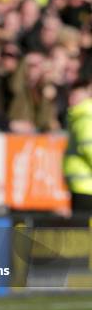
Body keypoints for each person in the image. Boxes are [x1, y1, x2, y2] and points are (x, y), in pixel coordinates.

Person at [63, 80, 92, 213]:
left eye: (75, 95)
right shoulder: (79, 116)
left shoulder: (84, 117)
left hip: (85, 186)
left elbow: (89, 147)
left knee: (83, 230)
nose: (71, 99)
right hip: (83, 185)